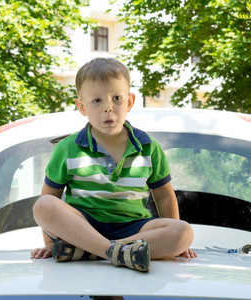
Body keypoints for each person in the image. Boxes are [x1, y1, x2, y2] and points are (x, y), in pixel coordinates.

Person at [30, 57, 196, 272]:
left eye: (116, 98)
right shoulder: (67, 148)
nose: (108, 108)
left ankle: (92, 251)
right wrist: (51, 245)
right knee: (43, 205)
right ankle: (112, 251)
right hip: (83, 226)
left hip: (134, 228)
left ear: (129, 102)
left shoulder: (149, 147)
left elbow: (164, 195)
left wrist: (177, 247)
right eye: (97, 101)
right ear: (82, 106)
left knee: (183, 232)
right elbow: (50, 196)